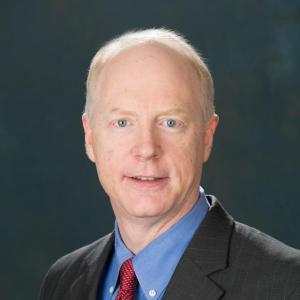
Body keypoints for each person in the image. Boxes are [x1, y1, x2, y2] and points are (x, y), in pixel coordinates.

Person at [39, 28, 300, 300]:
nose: (147, 149)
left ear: (207, 137)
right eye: (122, 122)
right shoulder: (63, 281)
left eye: (171, 123)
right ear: (90, 137)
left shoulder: (287, 285)